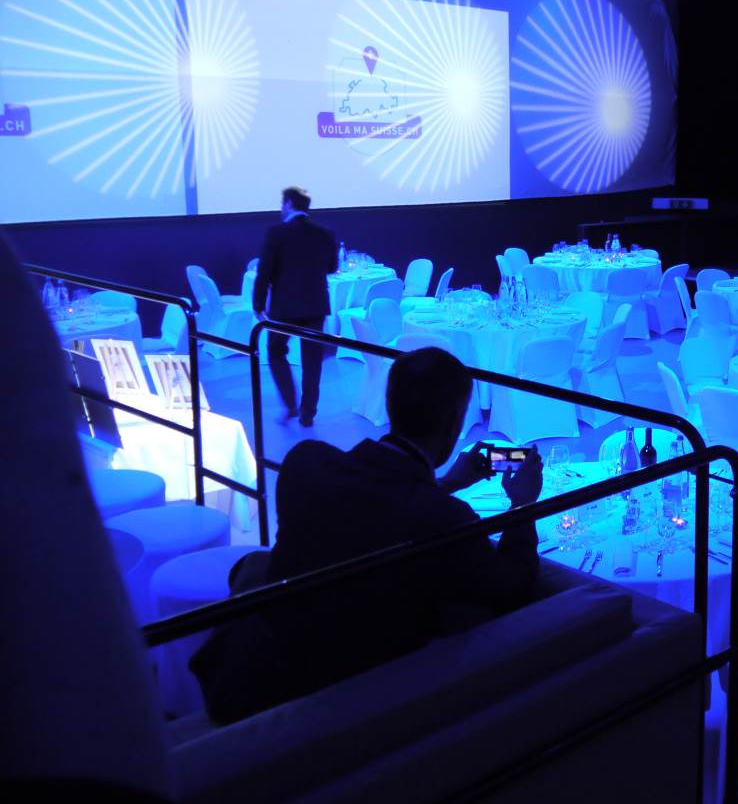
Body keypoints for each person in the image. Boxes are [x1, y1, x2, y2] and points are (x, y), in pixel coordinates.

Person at [190, 347, 543, 724]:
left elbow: (374, 506)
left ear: (390, 403)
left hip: (263, 660)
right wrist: (522, 507)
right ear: (454, 424)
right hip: (345, 694)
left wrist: (445, 483)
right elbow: (513, 589)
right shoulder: (446, 520)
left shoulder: (306, 464)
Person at [252, 186, 338, 427]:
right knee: (312, 360)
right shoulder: (325, 233)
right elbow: (332, 268)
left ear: (289, 203)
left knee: (276, 351)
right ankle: (308, 413)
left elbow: (264, 272)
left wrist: (258, 303)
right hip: (315, 304)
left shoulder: (276, 233)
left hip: (284, 307)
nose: (281, 208)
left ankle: (290, 404)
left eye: (282, 203)